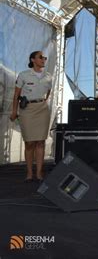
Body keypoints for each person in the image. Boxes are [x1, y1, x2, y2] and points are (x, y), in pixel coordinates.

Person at [10, 51, 52, 182]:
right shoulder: (23, 75)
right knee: (29, 143)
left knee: (40, 142)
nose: (43, 59)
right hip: (27, 110)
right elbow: (16, 95)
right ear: (33, 60)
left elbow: (48, 92)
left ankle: (39, 173)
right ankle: (29, 173)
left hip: (42, 109)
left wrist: (43, 101)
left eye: (44, 58)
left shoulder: (48, 76)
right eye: (41, 57)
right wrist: (14, 111)